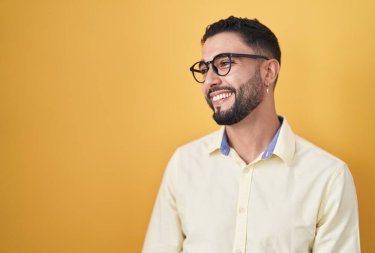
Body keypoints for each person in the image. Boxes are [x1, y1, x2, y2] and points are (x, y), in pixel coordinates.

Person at [142, 16, 360, 253]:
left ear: (268, 72)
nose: (210, 81)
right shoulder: (183, 165)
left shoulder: (328, 177)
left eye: (224, 63)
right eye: (204, 69)